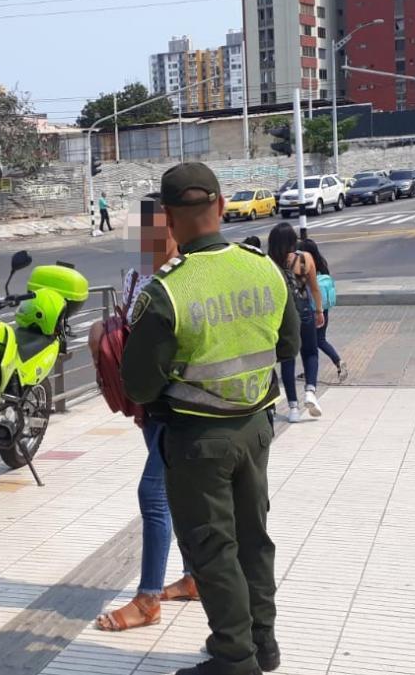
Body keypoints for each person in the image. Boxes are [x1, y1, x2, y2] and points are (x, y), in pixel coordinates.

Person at [123, 162, 300, 675]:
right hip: (257, 429)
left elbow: (140, 384)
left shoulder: (167, 290)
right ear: (221, 207)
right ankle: (264, 644)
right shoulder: (262, 266)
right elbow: (287, 344)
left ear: (168, 219)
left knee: (213, 548)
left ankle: (234, 657)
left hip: (198, 440)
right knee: (254, 540)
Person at [93, 194, 198, 634]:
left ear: (173, 228)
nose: (148, 240)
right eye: (140, 233)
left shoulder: (186, 277)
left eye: (156, 230)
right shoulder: (138, 274)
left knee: (153, 495)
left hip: (179, 404)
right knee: (176, 495)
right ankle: (194, 578)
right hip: (149, 406)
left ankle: (149, 598)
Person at [268, 222, 324, 423]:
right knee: (310, 352)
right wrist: (319, 310)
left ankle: (292, 407)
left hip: (283, 315)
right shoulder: (304, 258)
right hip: (304, 311)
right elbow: (315, 288)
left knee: (287, 358)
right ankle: (310, 391)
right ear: (293, 240)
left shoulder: (269, 262)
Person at [298, 238, 347, 381]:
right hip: (322, 307)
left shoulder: (305, 265)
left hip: (310, 308)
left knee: (308, 342)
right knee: (319, 339)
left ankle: (310, 372)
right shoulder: (322, 263)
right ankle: (338, 362)